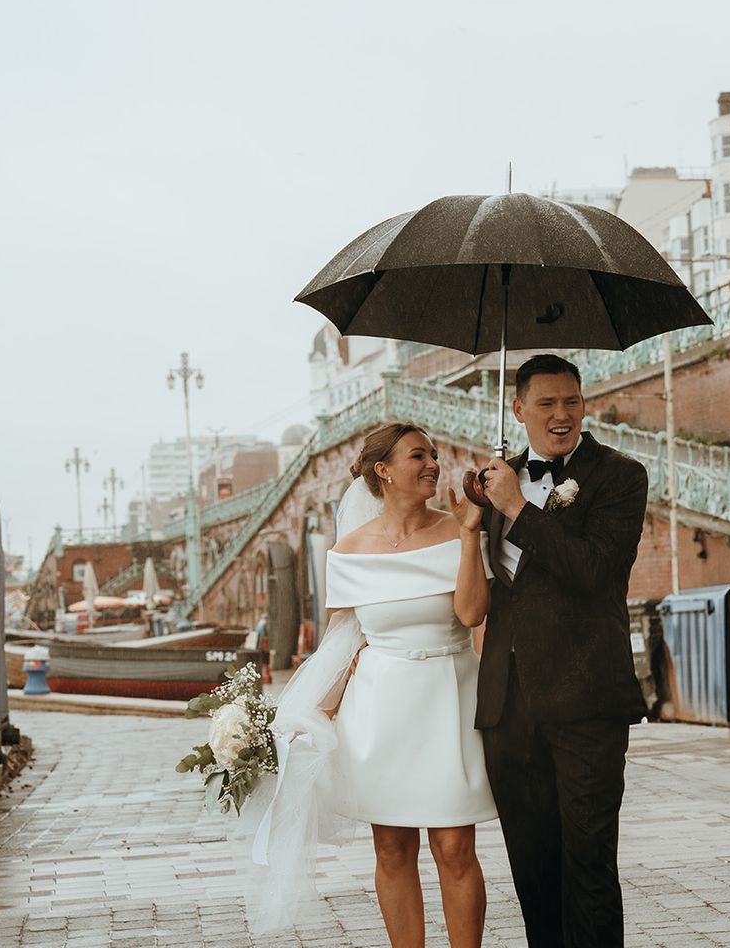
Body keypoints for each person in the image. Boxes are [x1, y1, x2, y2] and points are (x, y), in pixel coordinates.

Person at [238, 422, 496, 947]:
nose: (432, 466)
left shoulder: (460, 530)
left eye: (433, 456)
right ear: (383, 471)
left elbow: (472, 614)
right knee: (393, 849)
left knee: (454, 847)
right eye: (417, 457)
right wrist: (306, 718)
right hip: (381, 710)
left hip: (449, 696)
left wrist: (471, 534)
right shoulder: (349, 551)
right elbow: (343, 641)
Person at [475, 354, 649, 948]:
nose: (561, 415)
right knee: (533, 872)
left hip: (586, 704)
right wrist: (477, 514)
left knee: (589, 866)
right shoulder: (495, 483)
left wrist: (517, 510)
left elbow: (595, 570)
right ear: (518, 409)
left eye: (570, 401)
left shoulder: (621, 476)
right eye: (545, 404)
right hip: (509, 706)